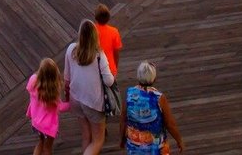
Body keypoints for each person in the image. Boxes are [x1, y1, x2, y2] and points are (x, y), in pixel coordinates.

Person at [64, 19, 115, 155]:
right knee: (98, 140)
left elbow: (66, 78)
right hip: (93, 102)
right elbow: (109, 81)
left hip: (75, 98)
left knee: (86, 136)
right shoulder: (99, 55)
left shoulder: (71, 50)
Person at [120, 60, 184, 154]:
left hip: (135, 148)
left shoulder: (129, 95)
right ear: (154, 78)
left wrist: (122, 140)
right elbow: (170, 124)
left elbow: (123, 120)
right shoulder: (159, 97)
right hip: (156, 148)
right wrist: (179, 140)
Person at [27, 57, 69, 155]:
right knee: (47, 149)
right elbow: (61, 107)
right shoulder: (52, 94)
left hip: (36, 123)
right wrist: (71, 103)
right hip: (48, 127)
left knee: (41, 143)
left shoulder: (33, 81)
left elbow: (30, 96)